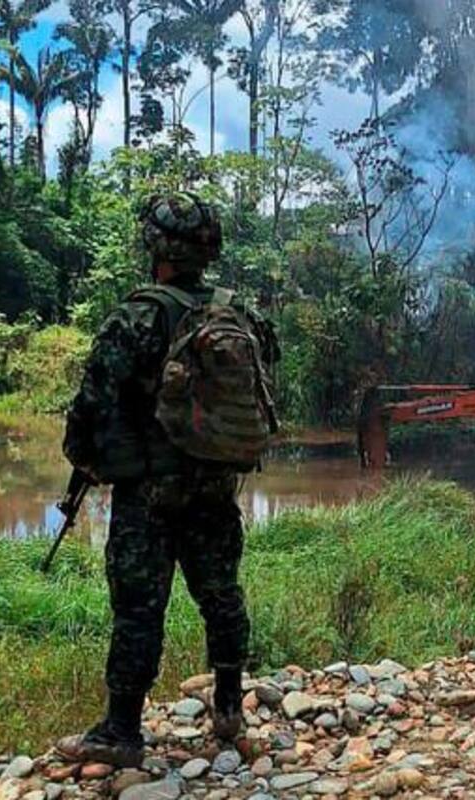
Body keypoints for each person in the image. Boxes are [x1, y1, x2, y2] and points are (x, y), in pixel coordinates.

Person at [56, 193, 279, 767]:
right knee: (222, 596)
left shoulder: (137, 315)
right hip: (214, 488)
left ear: (155, 248)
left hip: (149, 495)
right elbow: (259, 384)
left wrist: (88, 460)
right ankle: (229, 709)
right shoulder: (239, 313)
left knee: (138, 610)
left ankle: (120, 732)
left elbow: (91, 406)